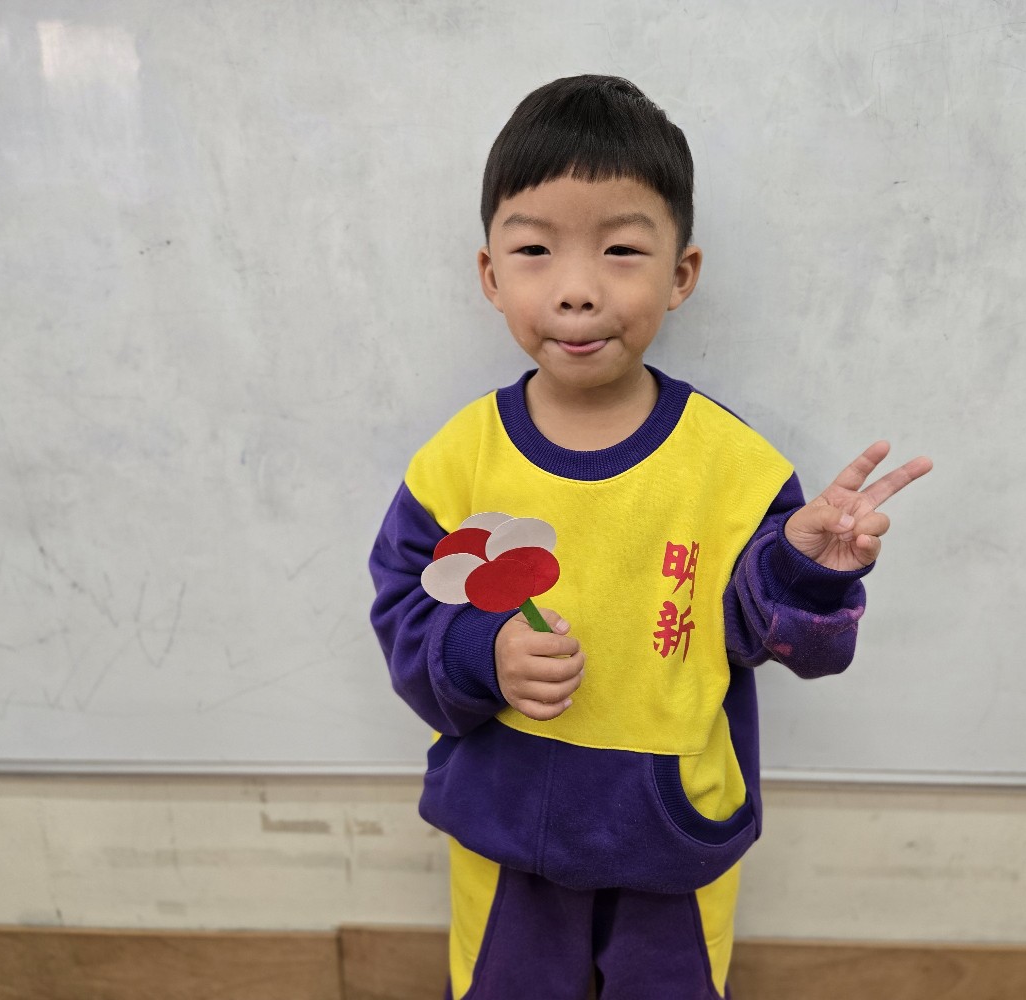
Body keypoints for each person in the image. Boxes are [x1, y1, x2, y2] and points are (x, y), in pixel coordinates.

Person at [368, 74, 931, 1000]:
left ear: (680, 274)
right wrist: (481, 653)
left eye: (621, 250)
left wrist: (808, 573)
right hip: (507, 819)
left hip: (671, 828)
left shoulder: (734, 467)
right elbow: (401, 607)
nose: (577, 291)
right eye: (535, 250)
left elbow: (788, 640)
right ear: (490, 274)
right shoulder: (456, 461)